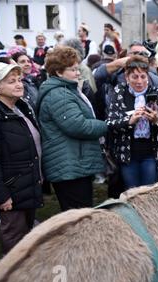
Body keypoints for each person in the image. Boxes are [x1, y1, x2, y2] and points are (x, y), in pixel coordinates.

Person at [37, 47, 108, 211]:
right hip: (68, 167)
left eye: (78, 68)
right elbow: (78, 126)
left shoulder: (65, 90)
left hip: (73, 164)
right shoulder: (59, 95)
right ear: (59, 72)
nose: (78, 73)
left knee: (80, 216)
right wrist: (107, 125)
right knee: (78, 218)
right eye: (73, 69)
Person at [0, 62, 43, 254]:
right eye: (12, 82)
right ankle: (9, 279)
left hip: (27, 183)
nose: (19, 84)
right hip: (11, 190)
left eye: (19, 80)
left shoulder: (20, 107)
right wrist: (1, 195)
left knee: (27, 236)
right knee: (14, 238)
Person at [106, 55, 158, 189]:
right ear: (127, 77)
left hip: (151, 153)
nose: (139, 81)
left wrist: (157, 119)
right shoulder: (119, 92)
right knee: (131, 193)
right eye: (134, 77)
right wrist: (129, 121)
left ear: (148, 76)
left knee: (148, 193)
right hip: (127, 155)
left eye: (143, 76)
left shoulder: (157, 94)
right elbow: (110, 123)